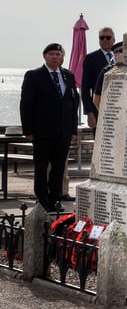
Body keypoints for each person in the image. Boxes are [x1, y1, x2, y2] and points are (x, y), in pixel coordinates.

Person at [20, 43, 80, 212]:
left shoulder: (68, 76)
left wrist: (73, 130)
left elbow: (73, 104)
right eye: (52, 54)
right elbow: (26, 104)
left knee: (58, 169)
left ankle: (55, 199)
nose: (55, 57)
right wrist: (28, 130)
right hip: (42, 132)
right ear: (45, 56)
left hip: (63, 133)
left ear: (62, 57)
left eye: (58, 54)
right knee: (41, 168)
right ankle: (42, 200)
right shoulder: (34, 76)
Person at [81, 27, 116, 135]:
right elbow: (85, 87)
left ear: (114, 39)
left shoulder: (121, 56)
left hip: (119, 108)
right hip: (98, 108)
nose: (105, 40)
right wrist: (89, 113)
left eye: (108, 37)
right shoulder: (91, 58)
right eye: (102, 37)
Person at [93, 41, 124, 110]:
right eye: (117, 52)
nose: (120, 54)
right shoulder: (106, 72)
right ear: (115, 54)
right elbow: (96, 98)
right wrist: (105, 114)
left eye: (122, 51)